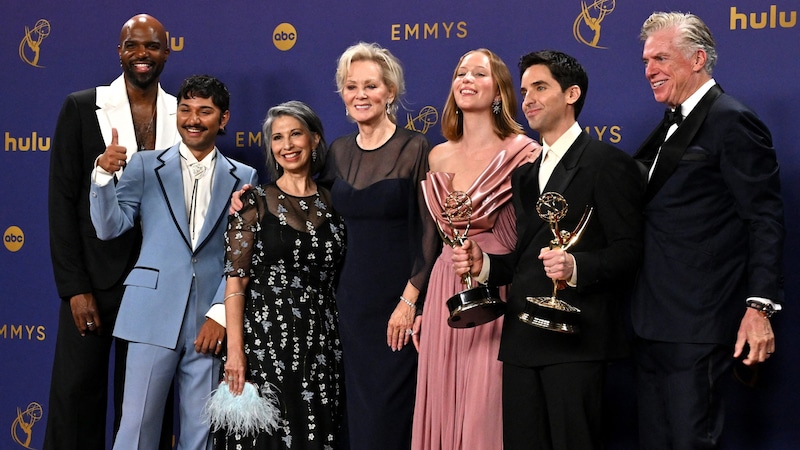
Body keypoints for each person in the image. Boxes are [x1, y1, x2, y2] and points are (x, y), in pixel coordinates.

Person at [453, 50, 644, 449]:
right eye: (524, 91)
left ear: (572, 93)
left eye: (540, 88)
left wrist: (576, 267)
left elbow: (630, 252)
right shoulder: (524, 174)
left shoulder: (607, 163)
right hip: (522, 341)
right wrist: (484, 264)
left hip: (577, 339)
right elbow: (527, 259)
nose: (528, 100)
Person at [632, 12, 785, 449]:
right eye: (646, 61)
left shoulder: (731, 119)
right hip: (651, 321)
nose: (649, 70)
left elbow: (764, 219)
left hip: (699, 323)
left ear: (697, 59)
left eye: (660, 58)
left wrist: (759, 308)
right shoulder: (667, 124)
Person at [90, 75, 258, 450]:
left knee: (200, 436)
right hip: (151, 314)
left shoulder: (244, 176)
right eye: (185, 110)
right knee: (136, 430)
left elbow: (241, 254)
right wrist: (102, 176)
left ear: (223, 119)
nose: (193, 119)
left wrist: (219, 313)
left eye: (205, 111)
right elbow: (109, 227)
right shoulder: (145, 166)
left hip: (208, 325)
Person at [45, 14, 178, 449]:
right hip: (93, 282)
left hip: (155, 284)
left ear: (167, 51)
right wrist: (74, 288)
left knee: (142, 408)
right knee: (75, 397)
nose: (143, 54)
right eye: (133, 45)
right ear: (119, 52)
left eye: (153, 46)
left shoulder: (185, 115)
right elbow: (62, 203)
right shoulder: (83, 106)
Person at [412, 48, 539, 449]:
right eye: (460, 72)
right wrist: (416, 303)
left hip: (497, 291)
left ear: (499, 90)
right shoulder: (437, 155)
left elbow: (532, 240)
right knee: (443, 398)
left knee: (487, 406)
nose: (466, 79)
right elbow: (432, 241)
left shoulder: (525, 153)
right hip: (443, 292)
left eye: (479, 74)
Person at [322, 42, 439, 449]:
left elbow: (431, 234)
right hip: (349, 305)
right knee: (354, 413)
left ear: (390, 91)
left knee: (389, 416)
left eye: (370, 86)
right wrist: (249, 200)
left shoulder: (414, 148)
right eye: (351, 86)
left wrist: (410, 301)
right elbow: (302, 204)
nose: (360, 94)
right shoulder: (336, 152)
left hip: (397, 307)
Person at [214, 101, 346, 449]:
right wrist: (235, 352)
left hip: (320, 346)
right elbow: (235, 283)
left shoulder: (337, 202)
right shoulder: (253, 203)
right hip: (263, 345)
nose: (287, 145)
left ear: (315, 139)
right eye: (277, 138)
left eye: (295, 134)